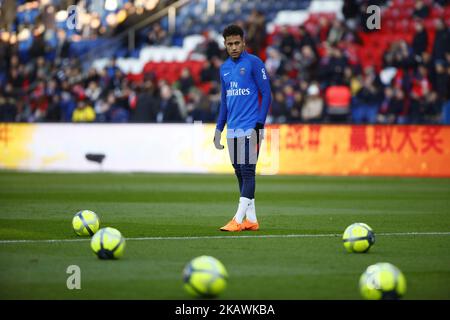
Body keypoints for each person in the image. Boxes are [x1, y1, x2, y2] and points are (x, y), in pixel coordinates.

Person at [213, 25, 272, 232]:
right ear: (225, 45)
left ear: (244, 42)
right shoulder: (224, 69)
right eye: (230, 44)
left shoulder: (255, 63)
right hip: (233, 130)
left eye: (237, 43)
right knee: (239, 172)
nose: (234, 47)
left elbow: (267, 95)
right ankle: (252, 219)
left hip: (251, 128)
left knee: (248, 171)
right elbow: (224, 102)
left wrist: (259, 124)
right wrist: (219, 129)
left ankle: (238, 219)